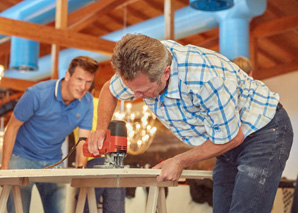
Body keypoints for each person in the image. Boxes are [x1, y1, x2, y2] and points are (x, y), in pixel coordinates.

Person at [87, 33, 294, 213]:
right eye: (132, 89)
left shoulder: (203, 79)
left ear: (165, 73)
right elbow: (109, 90)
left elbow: (233, 137)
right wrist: (100, 129)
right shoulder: (141, 71)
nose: (135, 96)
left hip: (265, 131)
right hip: (227, 139)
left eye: (142, 91)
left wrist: (179, 161)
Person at [1, 56, 98, 213]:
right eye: (79, 79)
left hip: (53, 160)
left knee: (57, 210)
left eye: (88, 82)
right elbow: (12, 127)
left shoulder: (86, 102)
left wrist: (81, 169)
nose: (83, 87)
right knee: (18, 210)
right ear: (67, 75)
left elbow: (82, 140)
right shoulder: (37, 94)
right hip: (22, 157)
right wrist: (5, 167)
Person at [74, 85, 125, 213]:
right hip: (113, 162)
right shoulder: (104, 107)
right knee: (115, 209)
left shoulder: (78, 108)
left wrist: (80, 169)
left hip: (92, 160)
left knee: (86, 207)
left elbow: (83, 142)